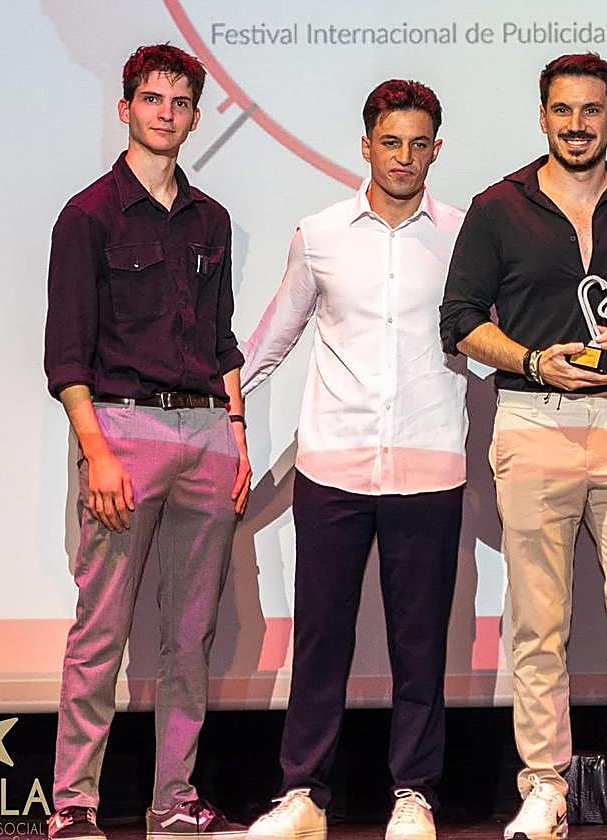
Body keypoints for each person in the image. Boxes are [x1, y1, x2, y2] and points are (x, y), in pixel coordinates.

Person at [440, 53, 607, 840]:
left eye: (592, 110)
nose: (577, 124)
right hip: (532, 420)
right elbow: (460, 319)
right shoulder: (498, 207)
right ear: (542, 117)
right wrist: (530, 360)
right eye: (563, 110)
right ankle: (546, 788)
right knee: (537, 620)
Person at [240, 80, 466, 840]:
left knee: (420, 645)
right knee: (321, 638)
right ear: (366, 146)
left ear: (436, 149)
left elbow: (497, 334)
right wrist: (217, 402)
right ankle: (302, 794)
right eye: (390, 142)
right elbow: (273, 336)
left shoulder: (464, 236)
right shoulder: (320, 234)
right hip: (333, 467)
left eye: (418, 144)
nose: (404, 157)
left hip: (430, 465)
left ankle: (415, 794)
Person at [43, 44, 250, 840]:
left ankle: (175, 798)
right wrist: (97, 451)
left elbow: (222, 338)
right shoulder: (88, 215)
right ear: (125, 108)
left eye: (181, 102)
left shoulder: (212, 220)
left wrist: (237, 435)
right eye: (153, 99)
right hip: (123, 430)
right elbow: (67, 355)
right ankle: (73, 803)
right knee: (101, 629)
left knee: (190, 636)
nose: (167, 113)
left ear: (195, 117)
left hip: (207, 433)